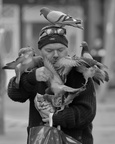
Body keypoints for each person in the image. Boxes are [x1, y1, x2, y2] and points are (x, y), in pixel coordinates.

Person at [7, 25, 96, 144]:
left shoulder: (79, 70)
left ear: (67, 49)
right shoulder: (34, 66)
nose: (55, 55)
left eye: (60, 50)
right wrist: (31, 77)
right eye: (49, 50)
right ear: (40, 51)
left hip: (76, 140)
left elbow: (87, 112)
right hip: (41, 139)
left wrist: (55, 117)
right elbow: (14, 94)